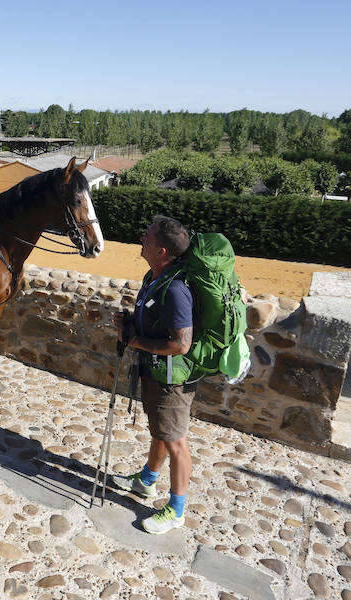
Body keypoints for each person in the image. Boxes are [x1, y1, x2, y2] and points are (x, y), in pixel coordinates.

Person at [112, 215, 195, 535]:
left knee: (176, 443)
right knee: (161, 431)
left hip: (171, 380)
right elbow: (155, 322)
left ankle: (175, 510)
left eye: (147, 237)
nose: (141, 239)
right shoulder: (154, 277)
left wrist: (133, 340)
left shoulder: (175, 289)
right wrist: (130, 324)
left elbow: (181, 344)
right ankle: (147, 480)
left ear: (161, 251)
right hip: (155, 372)